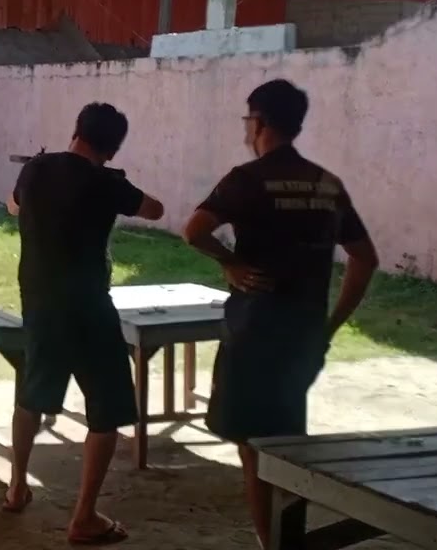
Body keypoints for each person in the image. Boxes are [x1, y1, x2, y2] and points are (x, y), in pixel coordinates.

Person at [180, 79, 379, 548]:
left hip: (254, 333)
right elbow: (364, 258)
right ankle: (286, 539)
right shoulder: (326, 184)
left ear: (260, 123)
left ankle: (272, 545)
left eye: (249, 121)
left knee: (255, 452)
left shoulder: (245, 180)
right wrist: (330, 325)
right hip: (304, 335)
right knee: (290, 445)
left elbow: (193, 230)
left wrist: (229, 262)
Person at [3, 102, 164, 546]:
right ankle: (85, 516)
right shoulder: (106, 182)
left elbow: (13, 205)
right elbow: (156, 210)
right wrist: (118, 184)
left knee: (32, 395)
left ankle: (16, 487)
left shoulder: (35, 170)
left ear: (76, 131)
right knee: (107, 408)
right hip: (89, 307)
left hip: (38, 301)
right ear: (111, 149)